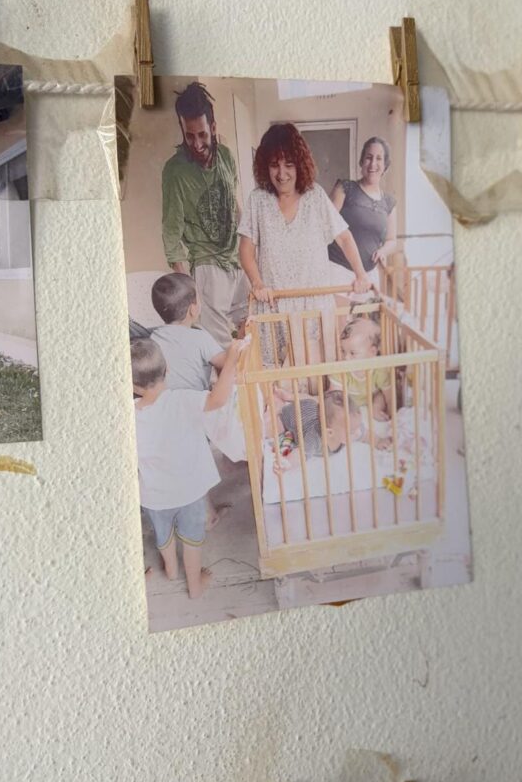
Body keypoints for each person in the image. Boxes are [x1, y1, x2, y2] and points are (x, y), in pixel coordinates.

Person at [238, 122, 372, 365]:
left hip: (313, 305)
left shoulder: (315, 196)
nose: (282, 174)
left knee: (316, 377)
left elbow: (343, 236)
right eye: (274, 165)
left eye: (289, 165)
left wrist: (361, 274)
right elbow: (246, 248)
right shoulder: (257, 200)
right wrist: (257, 283)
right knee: (277, 377)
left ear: (300, 164)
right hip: (273, 304)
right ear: (264, 166)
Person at [131, 337, 242, 600]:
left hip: (153, 496)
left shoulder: (128, 413)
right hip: (189, 492)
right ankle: (194, 585)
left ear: (132, 385)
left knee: (163, 535)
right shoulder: (182, 400)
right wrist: (232, 359)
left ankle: (170, 570)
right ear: (167, 369)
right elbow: (219, 399)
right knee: (192, 540)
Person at [161, 81, 247, 348]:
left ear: (213, 128)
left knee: (250, 324)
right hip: (207, 266)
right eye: (189, 136)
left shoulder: (226, 157)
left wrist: (248, 248)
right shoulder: (175, 171)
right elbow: (171, 233)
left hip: (235, 259)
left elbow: (235, 205)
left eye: (202, 135)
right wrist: (188, 287)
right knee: (219, 345)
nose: (196, 144)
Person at [328, 136, 399, 289]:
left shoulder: (389, 202)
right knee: (341, 314)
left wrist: (383, 251)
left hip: (369, 275)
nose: (373, 163)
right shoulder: (345, 188)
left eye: (379, 158)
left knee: (367, 313)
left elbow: (392, 240)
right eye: (369, 157)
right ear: (361, 161)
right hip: (338, 270)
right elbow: (328, 224)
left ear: (385, 165)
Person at [149, 272, 227, 390]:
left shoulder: (153, 337)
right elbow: (227, 363)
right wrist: (242, 341)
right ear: (193, 310)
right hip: (195, 402)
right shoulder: (200, 337)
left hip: (165, 402)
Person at [272, 391, 362, 472]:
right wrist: (287, 463)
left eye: (358, 427)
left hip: (312, 407)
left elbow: (367, 435)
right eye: (352, 432)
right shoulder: (315, 438)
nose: (359, 432)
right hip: (293, 414)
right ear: (330, 432)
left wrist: (377, 442)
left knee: (313, 403)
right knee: (274, 428)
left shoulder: (352, 424)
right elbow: (300, 454)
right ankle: (278, 405)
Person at [336, 316, 393, 421]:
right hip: (349, 402)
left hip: (372, 398)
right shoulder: (339, 370)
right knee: (337, 404)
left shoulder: (379, 369)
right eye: (343, 351)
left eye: (353, 353)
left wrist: (392, 415)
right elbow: (334, 397)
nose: (346, 357)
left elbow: (389, 395)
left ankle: (375, 410)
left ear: (372, 352)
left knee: (380, 397)